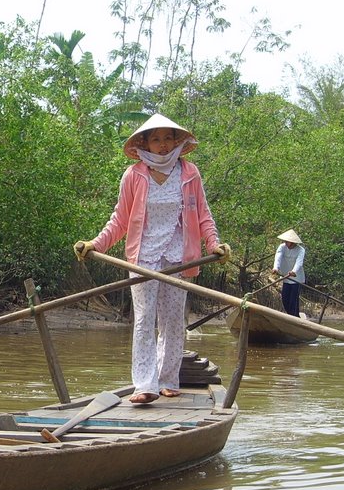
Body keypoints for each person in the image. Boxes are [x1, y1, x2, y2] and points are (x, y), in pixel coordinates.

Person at [74, 113, 230, 405]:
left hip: (178, 259)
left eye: (167, 139)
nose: (161, 146)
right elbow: (119, 220)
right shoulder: (134, 175)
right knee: (144, 320)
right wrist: (95, 244)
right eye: (155, 139)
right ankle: (145, 384)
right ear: (143, 143)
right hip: (143, 259)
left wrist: (214, 244)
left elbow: (203, 216)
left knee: (172, 321)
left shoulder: (189, 173)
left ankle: (169, 379)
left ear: (176, 142)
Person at [271, 228, 305, 316]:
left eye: (288, 241)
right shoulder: (282, 247)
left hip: (296, 279)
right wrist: (276, 268)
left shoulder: (301, 250)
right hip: (286, 277)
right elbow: (278, 257)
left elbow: (299, 262)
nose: (286, 243)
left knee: (293, 301)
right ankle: (291, 317)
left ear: (293, 242)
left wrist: (294, 271)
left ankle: (295, 318)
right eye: (285, 241)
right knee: (285, 299)